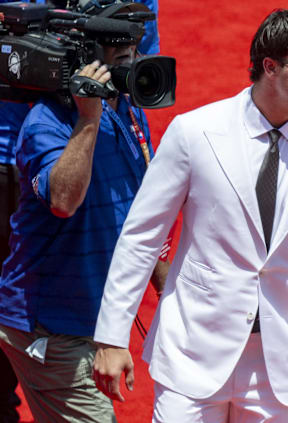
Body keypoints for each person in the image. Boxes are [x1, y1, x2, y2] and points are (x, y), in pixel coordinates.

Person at [91, 8, 288, 423]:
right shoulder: (195, 132)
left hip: (280, 364)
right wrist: (112, 337)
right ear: (270, 66)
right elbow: (142, 235)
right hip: (193, 352)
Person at [0, 2, 164, 422]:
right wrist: (88, 118)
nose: (134, 65)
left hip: (94, 322)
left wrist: (169, 287)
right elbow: (63, 200)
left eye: (134, 51)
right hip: (51, 331)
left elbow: (141, 209)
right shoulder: (46, 124)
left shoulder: (127, 110)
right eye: (120, 56)